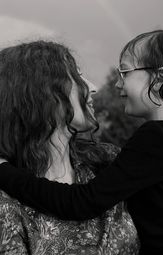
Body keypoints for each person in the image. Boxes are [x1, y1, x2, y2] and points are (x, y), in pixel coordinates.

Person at [0, 29, 163, 254]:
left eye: (124, 72)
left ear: (159, 78)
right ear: (41, 94)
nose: (112, 85)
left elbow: (79, 202)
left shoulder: (133, 148)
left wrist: (4, 171)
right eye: (77, 77)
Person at [0, 40, 139, 254]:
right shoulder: (7, 200)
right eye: (77, 76)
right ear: (43, 93)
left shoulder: (108, 160)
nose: (93, 88)